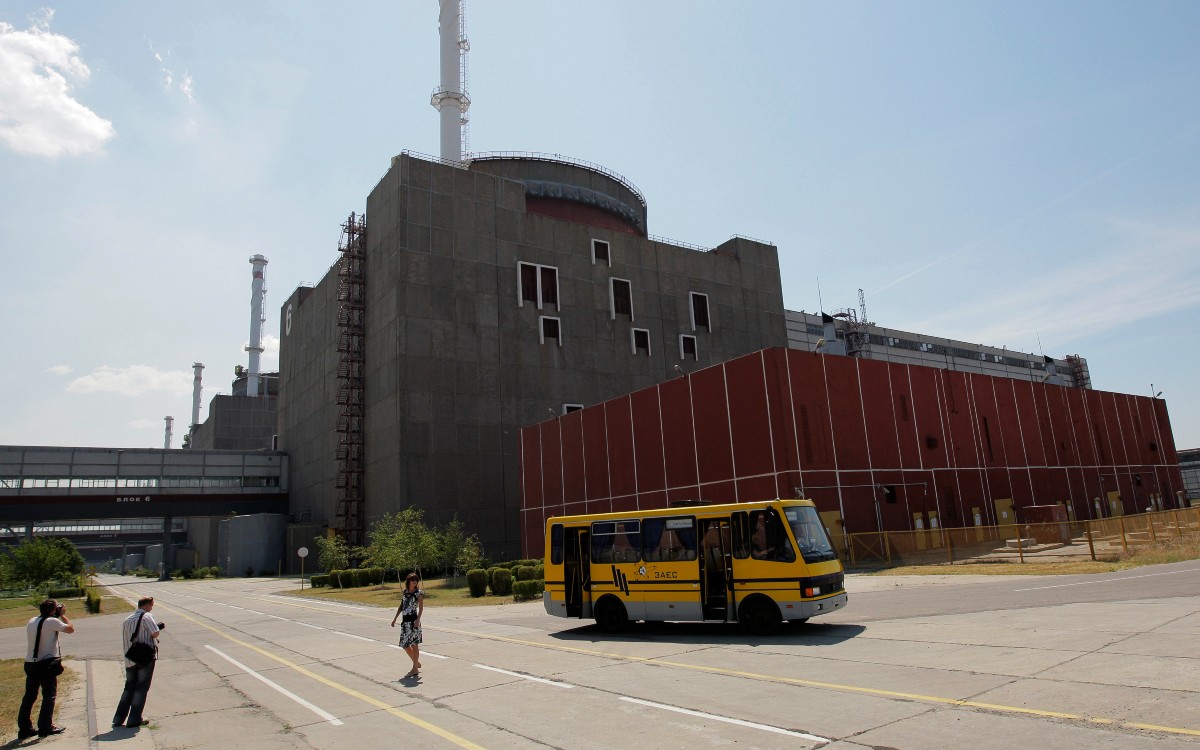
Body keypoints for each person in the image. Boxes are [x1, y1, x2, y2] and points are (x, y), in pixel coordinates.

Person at [18, 599, 74, 739]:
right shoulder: (52, 621)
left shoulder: (32, 620)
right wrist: (62, 615)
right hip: (45, 664)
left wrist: (55, 614)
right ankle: (45, 726)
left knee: (29, 696)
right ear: (53, 610)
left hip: (30, 662)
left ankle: (24, 728)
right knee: (49, 695)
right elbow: (70, 629)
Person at [112, 597, 163, 729]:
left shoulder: (127, 620)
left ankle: (118, 718)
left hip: (130, 657)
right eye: (151, 606)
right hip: (144, 657)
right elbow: (155, 633)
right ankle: (134, 718)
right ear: (146, 606)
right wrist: (157, 628)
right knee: (141, 687)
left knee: (129, 687)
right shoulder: (147, 616)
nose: (151, 608)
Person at [390, 573, 424, 678]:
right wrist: (395, 618)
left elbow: (421, 608)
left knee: (414, 644)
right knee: (405, 645)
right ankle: (416, 662)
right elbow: (402, 606)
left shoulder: (419, 593)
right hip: (405, 622)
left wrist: (418, 620)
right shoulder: (405, 592)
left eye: (416, 580)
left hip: (414, 622)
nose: (415, 582)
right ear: (408, 582)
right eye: (412, 580)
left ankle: (415, 669)